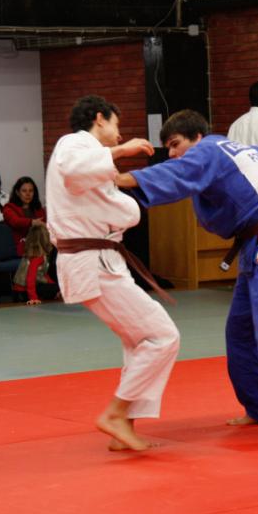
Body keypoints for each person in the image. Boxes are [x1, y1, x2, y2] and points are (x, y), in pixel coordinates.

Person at [116, 109, 258, 446]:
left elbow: (177, 173)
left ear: (197, 137)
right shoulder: (236, 149)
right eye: (168, 148)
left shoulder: (209, 149)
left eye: (175, 144)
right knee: (240, 334)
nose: (171, 153)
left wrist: (122, 180)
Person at [45, 95, 180, 452]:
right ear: (100, 119)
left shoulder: (94, 163)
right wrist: (122, 154)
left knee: (140, 340)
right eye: (117, 126)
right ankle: (116, 414)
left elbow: (111, 203)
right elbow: (75, 173)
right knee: (162, 336)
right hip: (92, 261)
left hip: (101, 260)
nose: (120, 136)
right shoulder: (73, 144)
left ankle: (125, 424)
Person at [11, 225, 59, 305]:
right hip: (23, 293)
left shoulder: (32, 254)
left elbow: (43, 274)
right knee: (56, 288)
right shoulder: (37, 257)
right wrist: (33, 298)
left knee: (55, 287)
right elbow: (30, 278)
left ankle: (54, 293)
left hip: (19, 292)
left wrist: (52, 284)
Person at [3, 176, 47, 256]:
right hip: (23, 246)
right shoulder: (9, 208)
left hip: (41, 243)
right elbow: (15, 221)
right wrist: (32, 222)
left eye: (31, 191)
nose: (28, 194)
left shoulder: (38, 209)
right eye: (24, 191)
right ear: (17, 192)